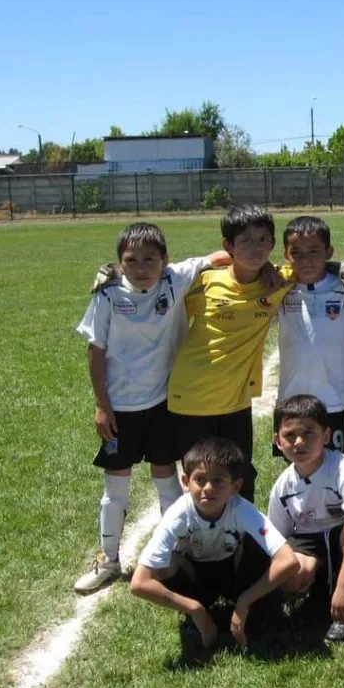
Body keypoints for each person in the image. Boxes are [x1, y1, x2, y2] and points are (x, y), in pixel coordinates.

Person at [73, 222, 229, 594]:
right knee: (116, 487)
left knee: (166, 479)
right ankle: (108, 559)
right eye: (131, 260)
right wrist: (101, 404)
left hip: (163, 404)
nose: (141, 267)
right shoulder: (108, 296)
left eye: (150, 259)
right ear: (119, 263)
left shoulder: (175, 280)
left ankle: (174, 555)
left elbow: (221, 256)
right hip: (120, 408)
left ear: (165, 260)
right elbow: (95, 352)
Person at [167, 205, 295, 503]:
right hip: (192, 399)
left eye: (263, 239)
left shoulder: (278, 280)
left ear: (273, 244)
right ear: (229, 245)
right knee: (200, 481)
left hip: (236, 401)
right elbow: (156, 285)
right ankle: (199, 545)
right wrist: (115, 278)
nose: (256, 247)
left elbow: (311, 261)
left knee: (240, 477)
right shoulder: (205, 283)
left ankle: (243, 545)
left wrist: (343, 268)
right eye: (246, 240)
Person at [130, 438, 298, 648]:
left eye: (218, 480)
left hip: (233, 573)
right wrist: (194, 608)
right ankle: (199, 614)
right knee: (165, 564)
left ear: (235, 486)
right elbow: (139, 583)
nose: (208, 488)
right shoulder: (178, 514)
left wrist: (245, 600)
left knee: (259, 546)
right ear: (185, 482)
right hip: (196, 578)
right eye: (200, 479)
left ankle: (254, 610)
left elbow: (289, 561)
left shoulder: (241, 509)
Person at [267, 395, 344, 642]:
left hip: (342, 540)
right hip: (309, 541)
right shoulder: (282, 487)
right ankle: (307, 595)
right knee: (292, 570)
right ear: (277, 441)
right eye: (290, 435)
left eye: (308, 433)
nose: (299, 442)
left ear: (326, 436)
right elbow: (275, 541)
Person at [274, 216, 344, 459]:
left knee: (340, 470)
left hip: (333, 399)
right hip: (292, 399)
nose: (306, 260)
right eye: (297, 253)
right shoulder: (279, 287)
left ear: (329, 251)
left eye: (314, 251)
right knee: (298, 469)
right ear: (286, 255)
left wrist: (339, 266)